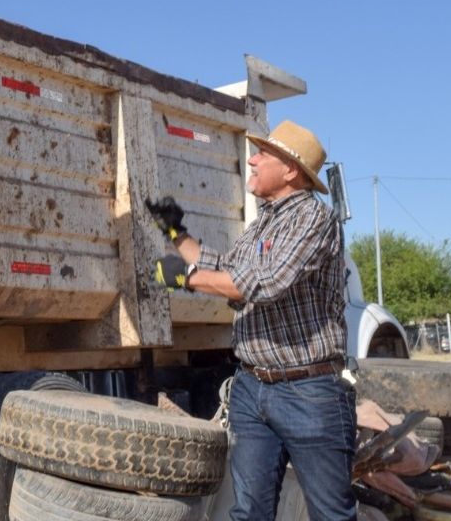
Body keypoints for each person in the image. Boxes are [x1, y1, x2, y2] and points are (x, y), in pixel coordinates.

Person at [147, 120, 354, 521]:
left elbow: (263, 282)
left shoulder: (313, 219)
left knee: (331, 515)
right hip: (252, 388)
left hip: (309, 392)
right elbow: (226, 268)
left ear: (291, 170)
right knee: (248, 513)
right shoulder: (262, 224)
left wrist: (186, 279)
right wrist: (175, 233)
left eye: (264, 155)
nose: (253, 160)